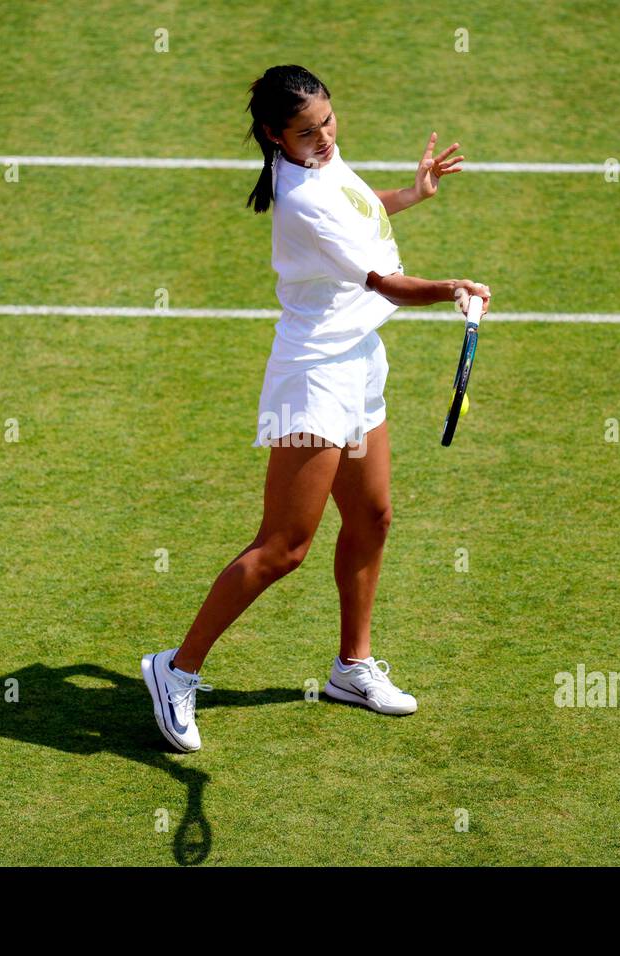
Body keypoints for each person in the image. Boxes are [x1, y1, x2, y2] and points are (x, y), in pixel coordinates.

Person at [141, 64, 491, 752]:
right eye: (307, 131)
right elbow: (385, 281)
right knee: (284, 547)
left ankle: (351, 668)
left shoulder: (319, 162)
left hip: (359, 359)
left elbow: (360, 215)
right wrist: (452, 287)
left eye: (328, 120)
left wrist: (410, 195)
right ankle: (175, 670)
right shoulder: (299, 196)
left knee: (373, 514)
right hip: (313, 377)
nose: (325, 136)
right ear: (275, 136)